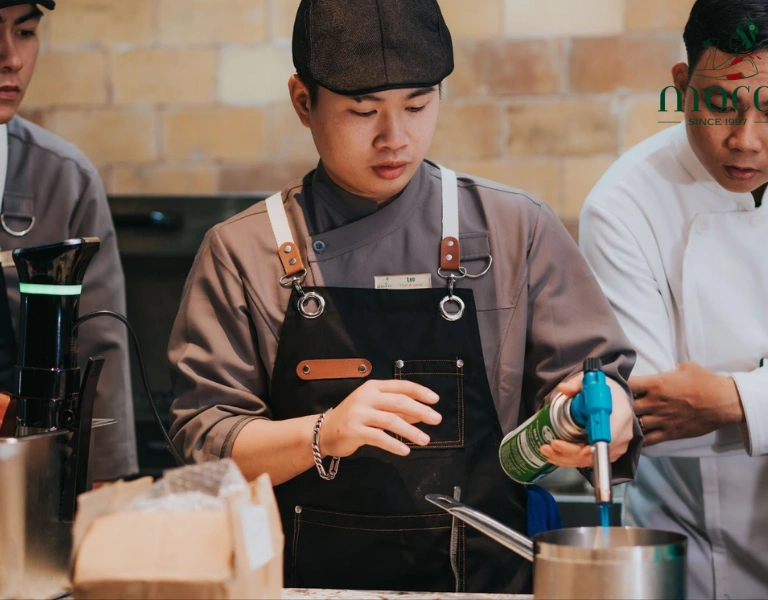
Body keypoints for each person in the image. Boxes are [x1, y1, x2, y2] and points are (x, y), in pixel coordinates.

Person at [168, 0, 640, 593]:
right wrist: (323, 433)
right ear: (302, 102)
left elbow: (600, 388)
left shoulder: (515, 230)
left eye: (417, 106)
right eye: (363, 111)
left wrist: (604, 417)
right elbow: (206, 443)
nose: (395, 137)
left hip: (489, 583)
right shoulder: (244, 251)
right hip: (300, 585)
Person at [579, 1, 768, 597]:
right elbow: (656, 412)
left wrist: (733, 398)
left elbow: (697, 407)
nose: (745, 141)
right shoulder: (624, 206)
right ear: (681, 88)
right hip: (695, 545)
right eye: (721, 105)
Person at [0, 0, 138, 482]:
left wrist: (104, 480)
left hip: (29, 480)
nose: (11, 57)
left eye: (26, 32)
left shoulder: (64, 178)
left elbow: (101, 344)